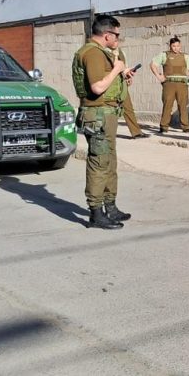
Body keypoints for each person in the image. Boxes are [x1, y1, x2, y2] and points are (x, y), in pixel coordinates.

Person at [71, 14, 137, 229]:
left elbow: (105, 83)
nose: (119, 38)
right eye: (117, 34)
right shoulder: (93, 54)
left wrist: (122, 75)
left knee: (109, 161)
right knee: (99, 163)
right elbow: (97, 87)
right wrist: (117, 70)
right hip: (97, 114)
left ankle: (111, 206)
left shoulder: (101, 53)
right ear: (107, 35)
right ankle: (96, 213)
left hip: (106, 113)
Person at [150, 36, 189, 133]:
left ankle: (185, 127)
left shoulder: (185, 56)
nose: (176, 48)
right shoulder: (164, 55)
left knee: (183, 105)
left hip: (182, 84)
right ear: (170, 46)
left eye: (178, 46)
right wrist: (158, 76)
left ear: (180, 46)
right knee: (167, 105)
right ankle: (164, 126)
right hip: (169, 84)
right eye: (174, 46)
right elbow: (153, 64)